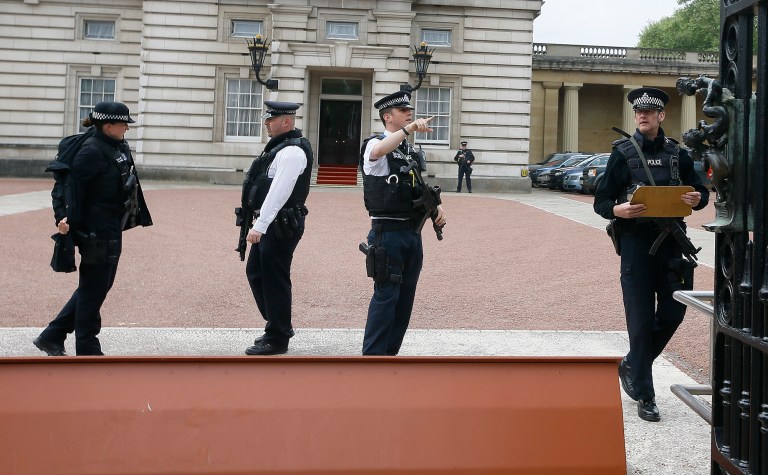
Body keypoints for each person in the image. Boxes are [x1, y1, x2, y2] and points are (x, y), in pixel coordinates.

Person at [593, 87, 709, 422]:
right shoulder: (622, 153)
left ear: (661, 116)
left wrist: (696, 199)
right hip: (636, 246)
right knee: (641, 322)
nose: (643, 116)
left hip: (673, 244)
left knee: (674, 314)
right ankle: (644, 394)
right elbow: (602, 201)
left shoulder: (678, 154)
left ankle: (632, 363)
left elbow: (700, 191)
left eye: (649, 112)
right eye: (638, 112)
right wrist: (620, 209)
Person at [34, 101, 153, 356]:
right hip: (96, 230)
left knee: (99, 285)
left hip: (111, 226)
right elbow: (64, 188)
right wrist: (63, 218)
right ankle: (87, 348)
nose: (127, 129)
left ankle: (52, 335)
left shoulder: (115, 144)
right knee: (94, 288)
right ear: (107, 125)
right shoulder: (90, 152)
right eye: (123, 124)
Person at [359, 91, 447, 355]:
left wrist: (435, 205)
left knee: (405, 299)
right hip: (388, 234)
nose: (409, 113)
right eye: (402, 111)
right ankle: (372, 358)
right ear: (388, 117)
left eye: (409, 110)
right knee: (386, 297)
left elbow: (416, 187)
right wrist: (409, 129)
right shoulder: (376, 145)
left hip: (412, 234)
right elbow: (377, 151)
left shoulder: (408, 151)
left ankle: (390, 355)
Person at [243, 101, 313, 356]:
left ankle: (278, 336)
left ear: (286, 122)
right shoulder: (280, 148)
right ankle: (277, 324)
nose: (266, 123)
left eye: (271, 119)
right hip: (273, 222)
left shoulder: (293, 152)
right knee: (257, 273)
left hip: (281, 224)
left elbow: (279, 192)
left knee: (274, 278)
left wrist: (259, 226)